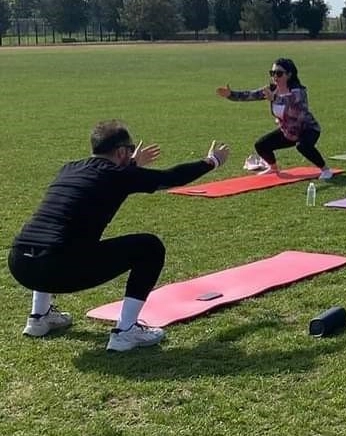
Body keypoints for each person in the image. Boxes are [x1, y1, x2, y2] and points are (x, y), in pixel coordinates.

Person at [7, 120, 231, 351]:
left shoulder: (69, 168)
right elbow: (171, 177)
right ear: (122, 151)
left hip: (20, 263)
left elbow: (106, 179)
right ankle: (126, 332)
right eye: (130, 151)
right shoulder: (119, 175)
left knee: (57, 235)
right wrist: (211, 161)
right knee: (149, 247)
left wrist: (132, 164)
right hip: (58, 267)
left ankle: (39, 317)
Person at [216, 57, 332, 180]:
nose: (275, 76)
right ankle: (273, 168)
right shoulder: (272, 90)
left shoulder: (298, 91)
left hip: (307, 129)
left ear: (289, 74)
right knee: (261, 145)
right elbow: (250, 95)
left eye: (279, 73)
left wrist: (275, 98)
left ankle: (326, 170)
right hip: (288, 131)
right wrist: (230, 95)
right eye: (273, 73)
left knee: (302, 146)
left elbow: (293, 103)